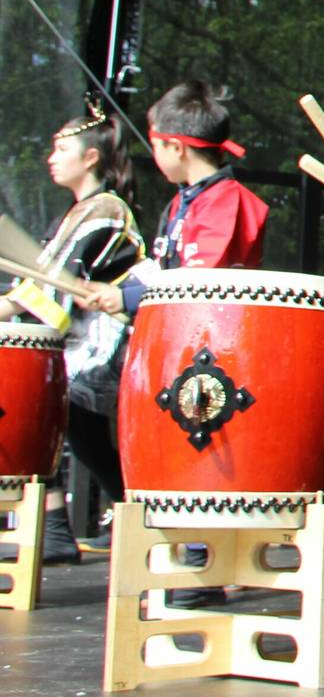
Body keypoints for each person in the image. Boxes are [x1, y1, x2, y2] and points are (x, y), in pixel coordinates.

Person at [0, 104, 148, 561]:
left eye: (61, 149)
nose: (51, 158)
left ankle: (91, 522)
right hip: (80, 341)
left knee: (44, 408)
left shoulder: (105, 209)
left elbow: (51, 284)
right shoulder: (78, 212)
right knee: (62, 424)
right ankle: (73, 526)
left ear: (90, 157)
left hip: (108, 341)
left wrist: (7, 307)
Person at [85, 81, 267, 319]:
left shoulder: (224, 201)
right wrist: (118, 290)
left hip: (213, 330)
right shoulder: (186, 200)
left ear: (177, 148)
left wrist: (128, 298)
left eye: (155, 146)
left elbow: (198, 282)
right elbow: (163, 269)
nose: (155, 155)